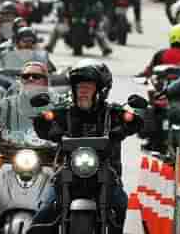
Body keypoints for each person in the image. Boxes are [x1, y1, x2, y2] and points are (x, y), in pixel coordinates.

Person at [30, 60, 141, 234]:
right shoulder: (64, 111)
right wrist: (48, 126)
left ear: (101, 90)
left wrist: (124, 127)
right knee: (45, 208)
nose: (82, 91)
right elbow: (43, 123)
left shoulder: (112, 113)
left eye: (88, 87)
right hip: (68, 170)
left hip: (106, 170)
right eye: (79, 87)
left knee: (120, 202)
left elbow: (136, 121)